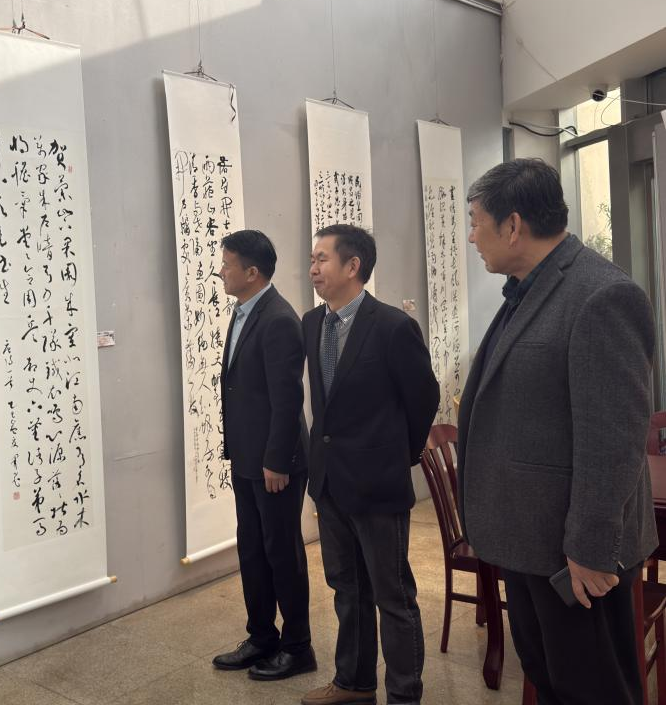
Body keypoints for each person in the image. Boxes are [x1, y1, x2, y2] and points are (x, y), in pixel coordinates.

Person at [458, 158, 657, 705]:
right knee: (550, 681)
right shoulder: (528, 289)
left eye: (476, 223)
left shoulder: (600, 294)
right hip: (530, 539)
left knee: (593, 691)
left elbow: (613, 439)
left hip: (575, 555)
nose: (471, 237)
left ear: (512, 225)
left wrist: (590, 548)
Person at [301, 224, 438, 705]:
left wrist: (398, 456)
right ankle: (354, 684)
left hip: (378, 483)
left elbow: (423, 398)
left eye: (321, 259)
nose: (313, 268)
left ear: (353, 266)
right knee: (347, 590)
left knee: (392, 597)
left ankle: (404, 695)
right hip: (330, 480)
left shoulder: (392, 326)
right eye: (312, 260)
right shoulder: (311, 323)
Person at [210, 229, 315, 681]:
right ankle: (261, 637)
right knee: (253, 549)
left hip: (276, 462)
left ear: (252, 272)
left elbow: (287, 399)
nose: (221, 271)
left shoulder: (278, 319)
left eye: (227, 264)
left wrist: (276, 460)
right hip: (248, 456)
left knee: (282, 553)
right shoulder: (243, 311)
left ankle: (298, 647)